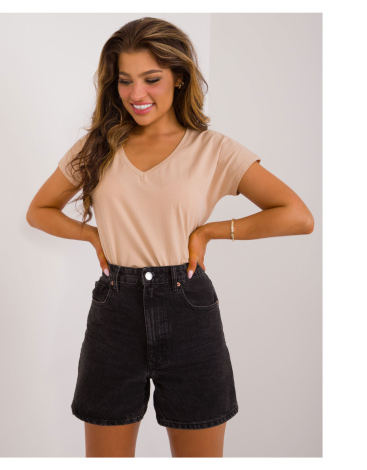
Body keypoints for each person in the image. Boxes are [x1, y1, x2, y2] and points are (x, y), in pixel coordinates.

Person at [26, 17, 314, 458]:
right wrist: (93, 236)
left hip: (189, 310)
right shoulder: (98, 146)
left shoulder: (214, 149)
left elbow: (297, 215)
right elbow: (39, 210)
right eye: (125, 80)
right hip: (114, 313)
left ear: (179, 78)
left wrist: (212, 231)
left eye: (151, 78)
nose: (136, 93)